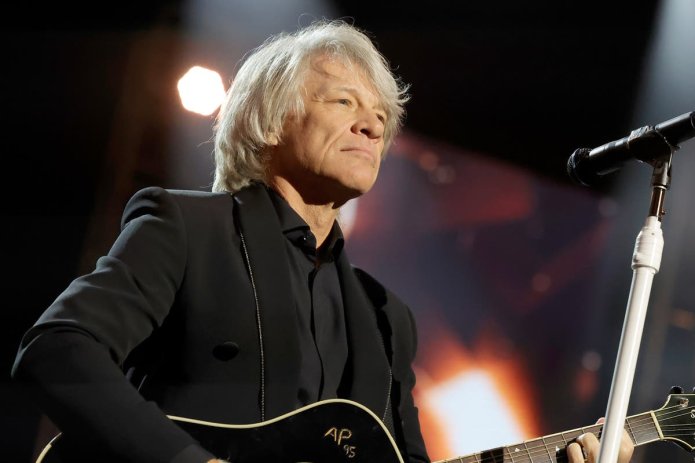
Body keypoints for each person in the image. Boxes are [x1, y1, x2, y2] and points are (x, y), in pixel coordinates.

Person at [12, 19, 633, 463]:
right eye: (344, 101)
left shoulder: (388, 318)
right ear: (269, 120)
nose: (372, 126)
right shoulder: (187, 228)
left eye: (382, 118)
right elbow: (57, 349)